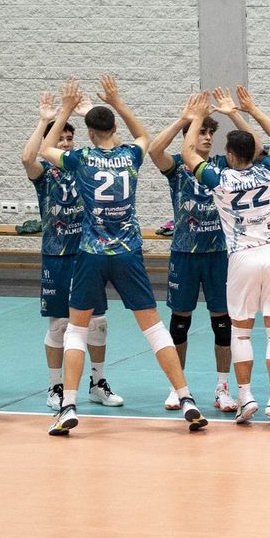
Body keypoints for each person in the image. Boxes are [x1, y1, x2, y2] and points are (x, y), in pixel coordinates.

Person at [38, 77, 207, 437]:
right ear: (114, 126)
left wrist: (65, 108)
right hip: (128, 252)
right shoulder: (130, 155)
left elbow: (45, 149)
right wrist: (118, 101)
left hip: (90, 254)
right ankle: (187, 397)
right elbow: (144, 137)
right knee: (154, 328)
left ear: (88, 132)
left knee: (77, 329)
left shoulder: (81, 158)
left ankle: (68, 405)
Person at [183, 87, 270, 424]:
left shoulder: (220, 178)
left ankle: (246, 397)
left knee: (241, 332)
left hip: (242, 258)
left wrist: (197, 115)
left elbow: (188, 152)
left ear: (229, 154)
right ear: (253, 151)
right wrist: (248, 109)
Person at [149, 91, 253, 415]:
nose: (207, 137)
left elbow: (252, 146)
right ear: (190, 136)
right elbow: (154, 150)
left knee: (222, 323)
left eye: (211, 132)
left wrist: (234, 112)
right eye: (202, 132)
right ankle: (178, 388)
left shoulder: (223, 166)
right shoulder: (178, 166)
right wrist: (187, 118)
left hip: (219, 254)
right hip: (184, 253)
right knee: (179, 323)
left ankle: (223, 389)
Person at [22, 91, 121, 413]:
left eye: (68, 137)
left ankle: (97, 382)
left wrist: (88, 112)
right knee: (60, 326)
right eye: (59, 138)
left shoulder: (85, 164)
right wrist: (47, 119)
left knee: (98, 322)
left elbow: (114, 147)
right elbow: (27, 159)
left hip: (88, 253)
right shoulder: (46, 174)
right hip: (56, 255)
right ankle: (55, 385)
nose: (64, 142)